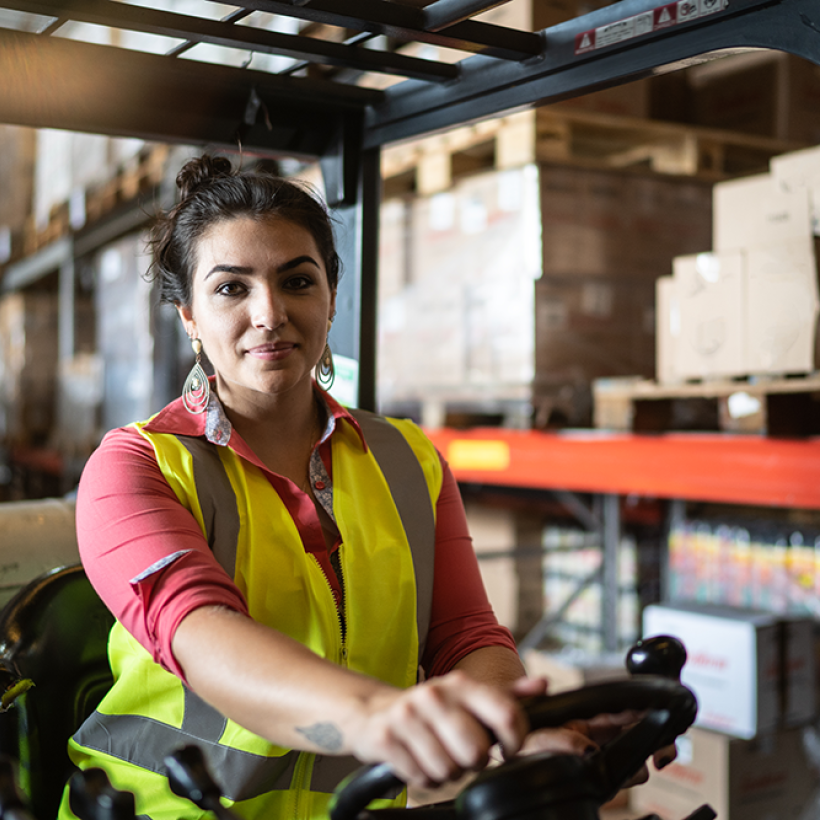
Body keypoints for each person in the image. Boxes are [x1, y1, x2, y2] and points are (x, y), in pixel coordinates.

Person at [59, 154, 669, 820]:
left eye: (297, 280)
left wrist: (520, 729)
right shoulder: (136, 467)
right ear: (188, 318)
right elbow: (204, 638)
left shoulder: (409, 459)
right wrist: (381, 716)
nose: (270, 313)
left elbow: (464, 636)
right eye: (232, 289)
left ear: (331, 296)